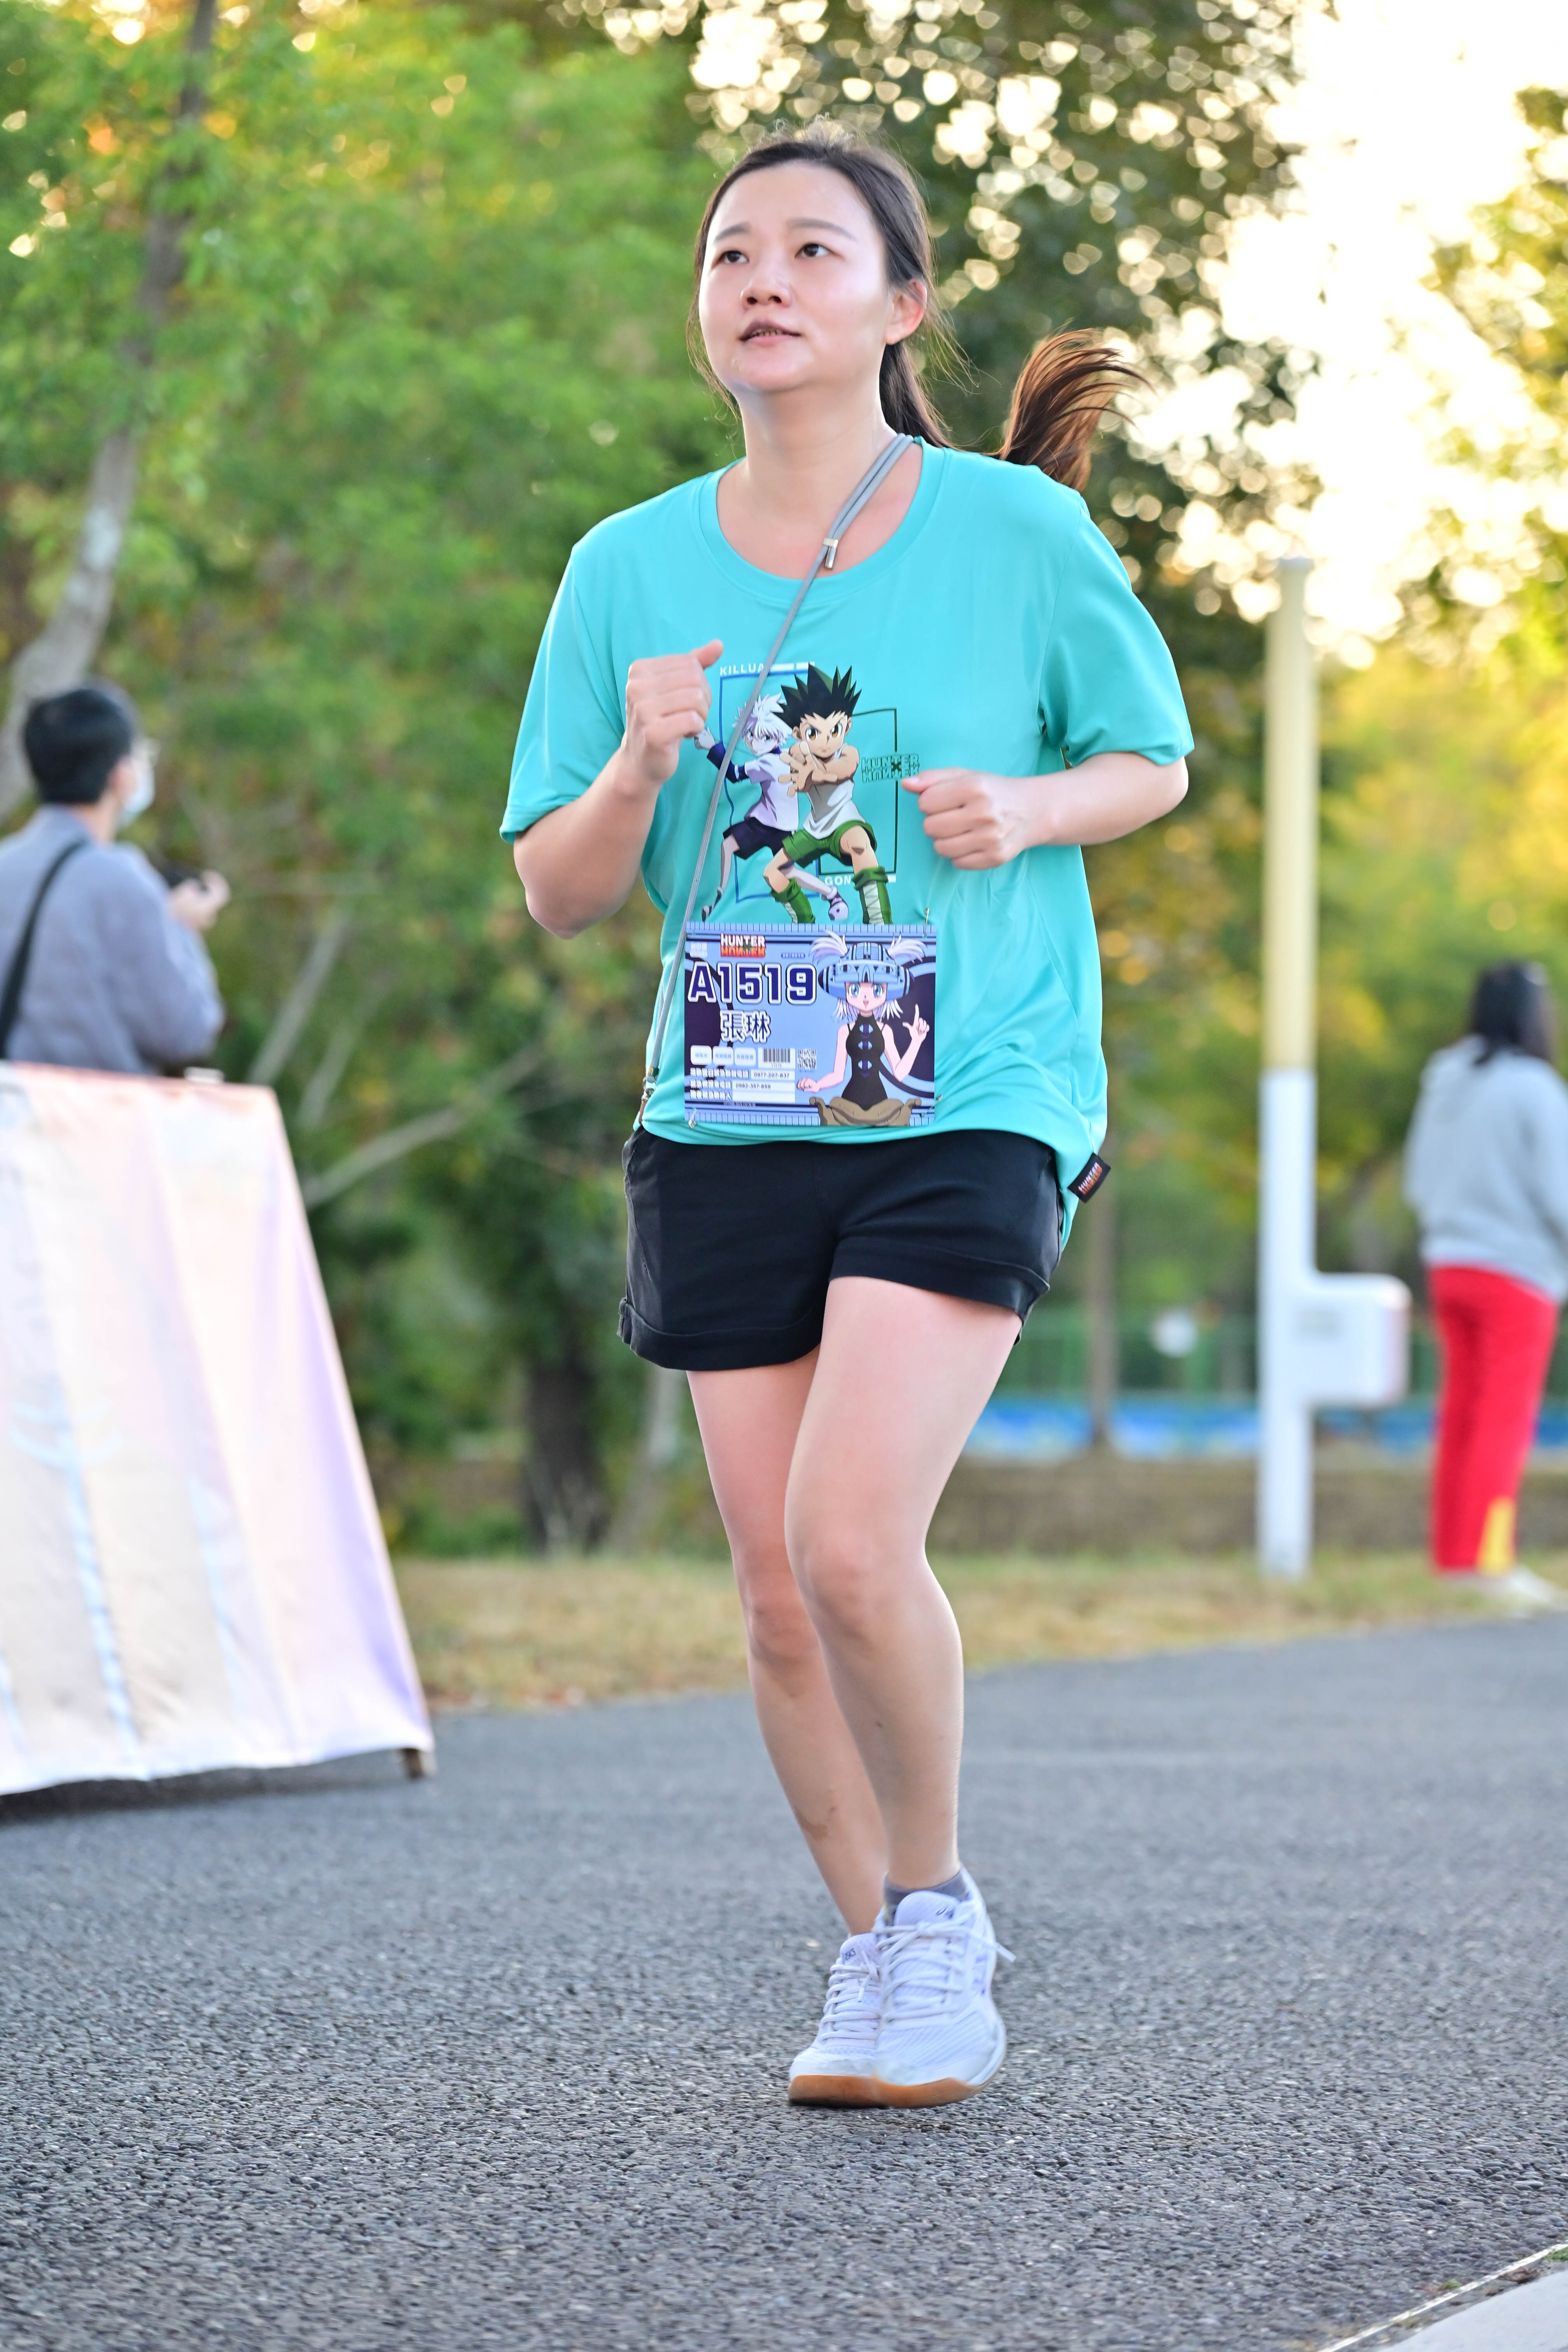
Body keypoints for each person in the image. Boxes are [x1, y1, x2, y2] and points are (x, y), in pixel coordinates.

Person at [504, 131, 1190, 2109]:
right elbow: (557, 889)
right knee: (776, 1594)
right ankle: (883, 1949)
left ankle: (937, 1912)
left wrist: (1028, 807)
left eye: (814, 249)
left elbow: (1146, 755)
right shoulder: (624, 569)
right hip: (729, 1108)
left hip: (966, 1088)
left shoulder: (1011, 533)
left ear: (898, 305)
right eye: (732, 251)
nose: (763, 278)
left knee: (847, 1534)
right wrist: (637, 769)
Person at [1404, 961, 1568, 1609]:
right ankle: (1489, 1564)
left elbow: (1417, 1181)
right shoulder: (1534, 1087)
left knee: (1463, 1417)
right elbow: (1560, 1193)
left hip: (1449, 1266)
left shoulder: (1444, 1082)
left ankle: (1454, 1560)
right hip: (1517, 1275)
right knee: (1502, 1421)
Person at [0, 683, 226, 1074]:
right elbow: (187, 1031)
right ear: (122, 777)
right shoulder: (121, 880)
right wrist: (180, 930)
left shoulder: (6, 863)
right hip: (83, 1110)